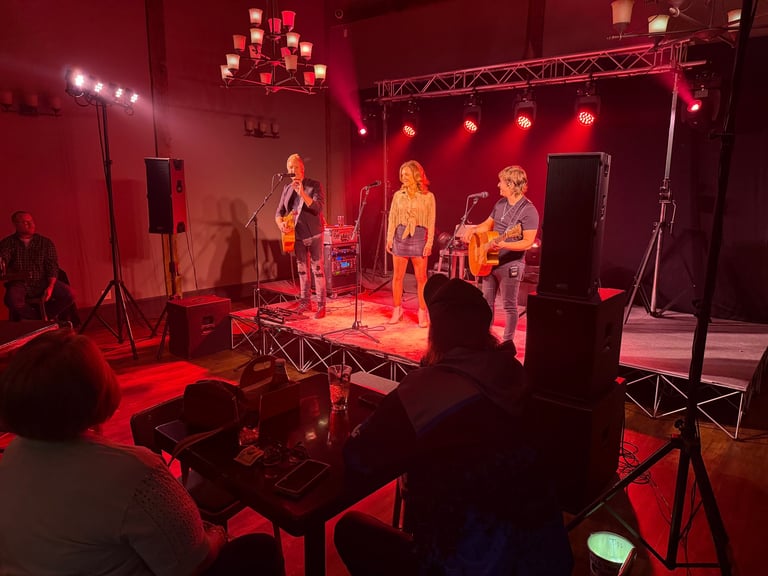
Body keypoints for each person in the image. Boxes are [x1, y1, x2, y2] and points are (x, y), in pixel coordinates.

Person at [334, 274, 573, 576]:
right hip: (545, 562)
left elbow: (358, 456)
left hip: (466, 567)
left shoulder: (427, 390)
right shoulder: (514, 376)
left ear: (436, 334)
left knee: (350, 530)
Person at [0, 329, 285, 576]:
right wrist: (219, 535)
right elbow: (192, 564)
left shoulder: (11, 455)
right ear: (98, 389)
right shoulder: (134, 472)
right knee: (260, 550)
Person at [464, 165, 538, 343]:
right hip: (490, 259)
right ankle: (486, 340)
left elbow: (528, 242)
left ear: (512, 184)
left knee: (509, 306)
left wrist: (503, 243)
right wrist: (473, 230)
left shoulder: (529, 210)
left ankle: (507, 343)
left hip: (511, 264)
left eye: (502, 182)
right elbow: (487, 225)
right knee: (486, 303)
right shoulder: (500, 204)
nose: (498, 185)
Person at [0, 210, 78, 325]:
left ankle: (41, 317)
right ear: (16, 224)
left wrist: (51, 286)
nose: (30, 224)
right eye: (25, 222)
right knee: (12, 300)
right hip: (19, 282)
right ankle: (39, 320)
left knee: (69, 294)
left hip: (42, 280)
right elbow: (4, 256)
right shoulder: (8, 243)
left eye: (31, 221)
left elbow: (52, 266)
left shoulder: (45, 242)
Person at [275, 153, 327, 319]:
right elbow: (279, 212)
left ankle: (321, 305)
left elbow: (318, 208)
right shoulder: (286, 189)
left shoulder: (314, 185)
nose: (293, 170)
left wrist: (302, 192)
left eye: (296, 167)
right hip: (296, 236)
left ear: (302, 169)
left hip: (314, 234)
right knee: (302, 270)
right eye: (290, 168)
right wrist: (280, 223)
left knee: (317, 270)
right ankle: (305, 302)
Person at [386, 160, 436, 328]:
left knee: (421, 278)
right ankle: (397, 309)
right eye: (402, 174)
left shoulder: (428, 197)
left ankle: (422, 312)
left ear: (416, 175)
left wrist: (429, 243)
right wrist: (389, 238)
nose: (403, 177)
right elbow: (392, 218)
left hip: (419, 236)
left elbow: (431, 221)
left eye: (406, 174)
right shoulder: (398, 196)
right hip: (400, 235)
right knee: (397, 277)